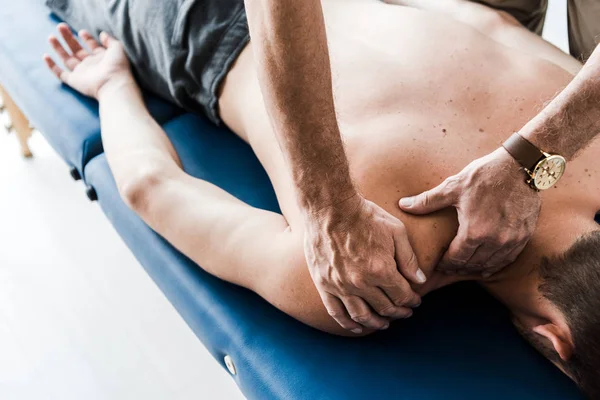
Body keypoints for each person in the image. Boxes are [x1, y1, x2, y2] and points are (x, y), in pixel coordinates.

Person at [43, 0, 600, 396]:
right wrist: (113, 84)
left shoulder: (582, 133)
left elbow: (484, 18)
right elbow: (149, 186)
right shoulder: (378, 272)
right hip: (209, 24)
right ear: (556, 343)